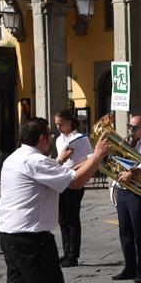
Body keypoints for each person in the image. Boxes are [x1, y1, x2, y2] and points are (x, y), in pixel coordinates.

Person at [0, 117, 109, 283]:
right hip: (32, 238)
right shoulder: (36, 161)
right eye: (49, 134)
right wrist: (97, 157)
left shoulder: (15, 158)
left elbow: (57, 173)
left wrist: (76, 160)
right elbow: (75, 183)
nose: (51, 138)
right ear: (42, 139)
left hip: (11, 235)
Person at [112, 115, 141, 283]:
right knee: (125, 232)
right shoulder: (124, 143)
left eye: (135, 128)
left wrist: (133, 171)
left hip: (138, 192)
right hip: (122, 190)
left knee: (140, 232)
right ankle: (129, 268)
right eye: (129, 126)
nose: (131, 130)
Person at [53, 109, 92, 267]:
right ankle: (66, 251)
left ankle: (73, 255)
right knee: (62, 219)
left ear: (69, 123)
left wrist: (74, 168)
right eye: (56, 124)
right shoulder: (58, 140)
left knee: (72, 219)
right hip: (61, 180)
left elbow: (90, 159)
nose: (58, 127)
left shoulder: (80, 138)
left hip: (75, 179)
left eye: (61, 124)